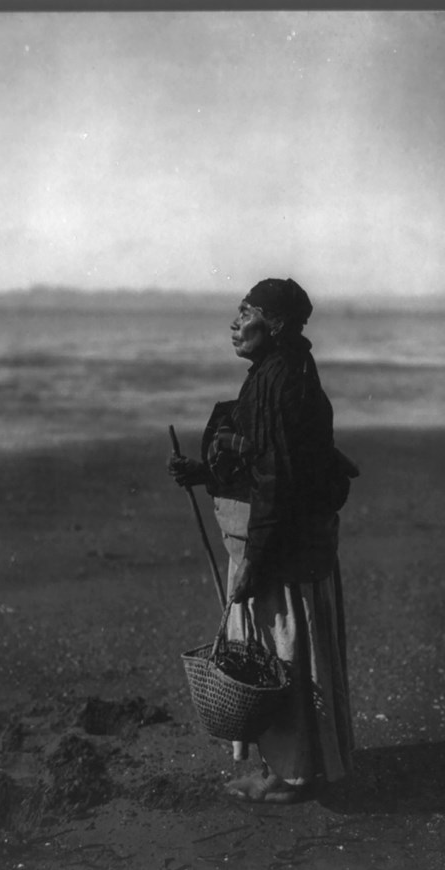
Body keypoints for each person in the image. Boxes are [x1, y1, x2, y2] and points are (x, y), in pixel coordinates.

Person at [168, 278, 358, 803]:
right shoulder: (284, 370)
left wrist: (255, 559)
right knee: (290, 652)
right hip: (292, 543)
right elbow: (266, 459)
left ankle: (291, 776)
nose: (235, 322)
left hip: (280, 549)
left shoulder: (279, 380)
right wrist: (206, 472)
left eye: (246, 312)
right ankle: (303, 766)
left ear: (272, 324)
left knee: (282, 652)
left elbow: (277, 481)